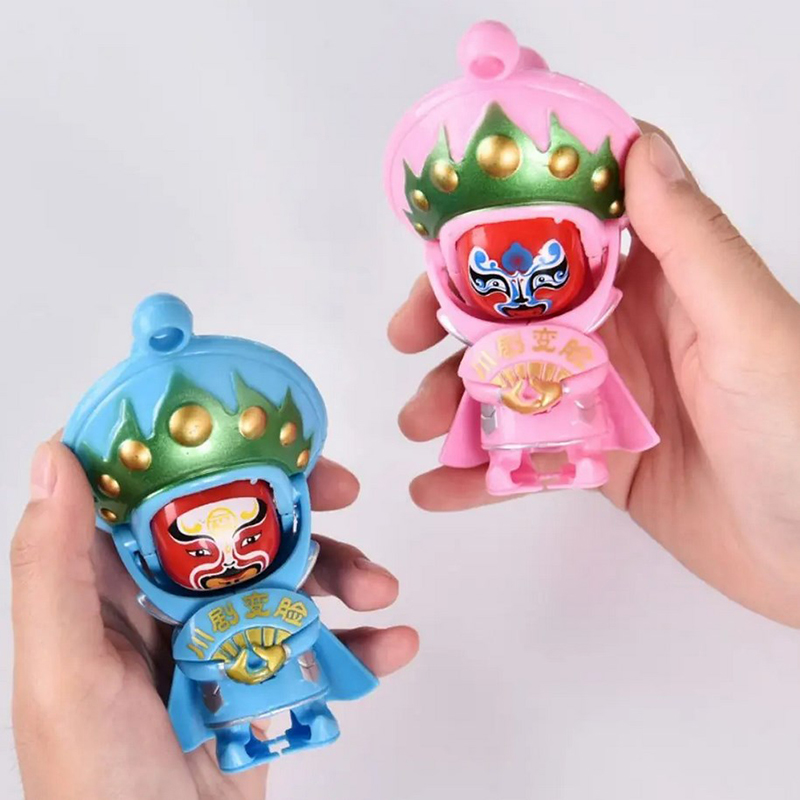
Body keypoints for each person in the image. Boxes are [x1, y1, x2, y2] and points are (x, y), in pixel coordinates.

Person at [11, 129, 800, 797]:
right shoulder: (205, 615)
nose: (229, 558)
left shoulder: (564, 344)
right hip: (242, 680)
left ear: (288, 511)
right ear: (143, 549)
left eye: (245, 532)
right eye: (197, 543)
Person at [390, 127, 800, 628]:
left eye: (546, 275)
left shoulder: (578, 338)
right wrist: (506, 387)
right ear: (451, 270)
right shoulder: (491, 347)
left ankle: (583, 460)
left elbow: (589, 369)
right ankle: (508, 466)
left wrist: (556, 385)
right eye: (491, 280)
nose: (520, 294)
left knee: (581, 436)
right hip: (510, 424)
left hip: (573, 418)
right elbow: (477, 382)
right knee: (504, 442)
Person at [11, 446, 418, 799]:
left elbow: (306, 628)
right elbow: (194, 662)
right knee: (231, 720)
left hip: (297, 678)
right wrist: (229, 664)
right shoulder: (191, 626)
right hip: (229, 701)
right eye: (198, 552)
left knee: (304, 696)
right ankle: (236, 742)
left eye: (248, 540)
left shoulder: (281, 595)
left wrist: (283, 649)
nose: (229, 561)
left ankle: (312, 717)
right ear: (144, 553)